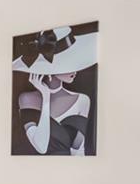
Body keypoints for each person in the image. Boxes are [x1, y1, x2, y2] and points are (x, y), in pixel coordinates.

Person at [13, 26, 97, 156]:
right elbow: (41, 147)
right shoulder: (26, 99)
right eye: (69, 65)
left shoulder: (83, 100)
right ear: (50, 70)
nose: (75, 71)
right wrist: (45, 98)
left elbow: (78, 151)